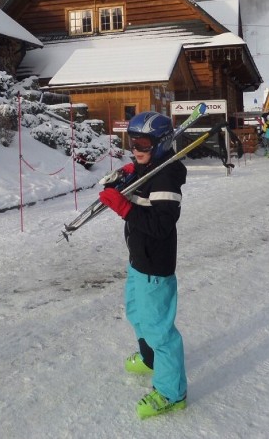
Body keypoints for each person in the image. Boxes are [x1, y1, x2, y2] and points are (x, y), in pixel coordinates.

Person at [98, 111, 188, 419]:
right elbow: (137, 181)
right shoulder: (146, 168)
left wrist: (123, 207)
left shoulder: (165, 177)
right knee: (136, 313)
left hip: (156, 266)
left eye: (143, 144)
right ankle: (150, 359)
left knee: (160, 331)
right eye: (131, 142)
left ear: (161, 144)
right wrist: (126, 175)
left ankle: (172, 393)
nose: (136, 150)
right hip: (138, 260)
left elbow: (161, 226)